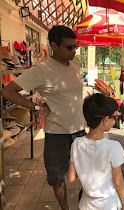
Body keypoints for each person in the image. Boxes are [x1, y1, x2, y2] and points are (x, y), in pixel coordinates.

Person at [2, 25, 85, 210]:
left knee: (85, 172)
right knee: (57, 177)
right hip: (56, 133)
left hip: (79, 131)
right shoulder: (42, 69)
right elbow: (8, 91)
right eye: (69, 47)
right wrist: (35, 107)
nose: (74, 51)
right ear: (54, 46)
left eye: (75, 47)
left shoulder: (75, 66)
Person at [67, 93, 124, 210]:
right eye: (114, 117)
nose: (114, 121)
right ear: (106, 120)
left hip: (86, 205)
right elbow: (118, 181)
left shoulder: (76, 143)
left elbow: (71, 177)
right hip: (109, 205)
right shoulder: (113, 147)